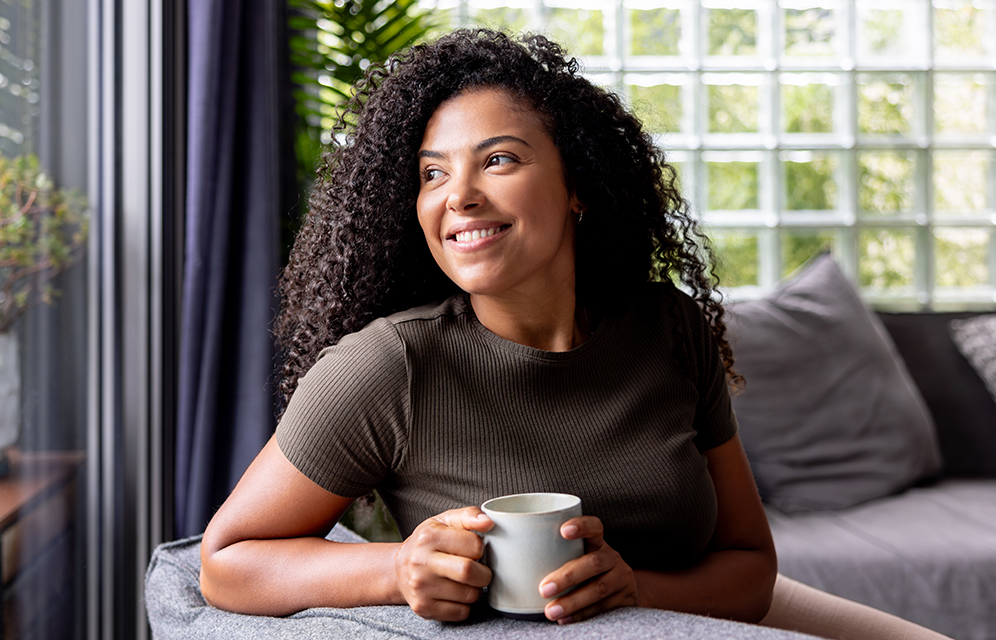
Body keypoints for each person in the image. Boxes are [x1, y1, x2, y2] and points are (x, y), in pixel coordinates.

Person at [199, 29, 948, 639]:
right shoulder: (390, 364)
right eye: (432, 174)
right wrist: (395, 569)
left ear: (579, 185)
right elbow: (226, 561)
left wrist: (635, 588)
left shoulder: (667, 327)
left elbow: (750, 566)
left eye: (499, 159)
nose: (458, 195)